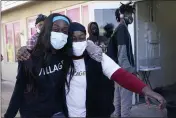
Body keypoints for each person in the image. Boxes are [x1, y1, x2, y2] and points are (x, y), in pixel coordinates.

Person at [63, 22, 166, 117]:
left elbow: (122, 75)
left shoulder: (97, 57)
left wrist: (147, 91)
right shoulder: (61, 61)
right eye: (73, 39)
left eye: (81, 38)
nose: (77, 42)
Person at [4, 13, 73, 118]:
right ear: (47, 30)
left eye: (65, 31)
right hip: (33, 113)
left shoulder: (65, 56)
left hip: (57, 112)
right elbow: (19, 90)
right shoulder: (28, 57)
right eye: (56, 29)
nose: (61, 34)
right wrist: (9, 115)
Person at [107, 2, 137, 117]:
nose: (131, 16)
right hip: (123, 72)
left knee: (118, 101)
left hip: (117, 71)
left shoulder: (118, 29)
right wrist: (130, 72)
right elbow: (122, 54)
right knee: (126, 103)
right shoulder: (122, 30)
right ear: (121, 15)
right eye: (128, 13)